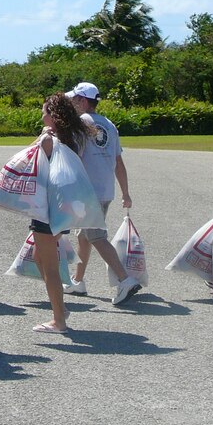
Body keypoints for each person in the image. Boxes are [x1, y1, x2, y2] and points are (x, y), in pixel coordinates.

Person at [64, 82, 142, 305]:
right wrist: (125, 192)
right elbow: (118, 161)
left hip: (88, 191)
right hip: (105, 190)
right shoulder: (109, 124)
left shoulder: (81, 123)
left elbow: (74, 157)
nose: (72, 104)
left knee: (96, 236)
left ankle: (124, 279)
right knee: (84, 234)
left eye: (75, 100)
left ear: (83, 101)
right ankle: (78, 280)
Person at [30, 93, 93, 334]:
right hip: (62, 206)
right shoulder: (72, 139)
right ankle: (60, 308)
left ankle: (59, 319)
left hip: (47, 207)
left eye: (45, 111)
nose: (42, 114)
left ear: (53, 116)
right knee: (38, 256)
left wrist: (40, 139)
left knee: (50, 264)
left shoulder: (49, 139)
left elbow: (27, 161)